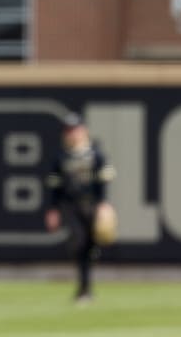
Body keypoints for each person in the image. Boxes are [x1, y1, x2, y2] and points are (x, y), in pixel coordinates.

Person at [44, 112, 116, 303]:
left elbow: (104, 182)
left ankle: (85, 290)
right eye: (69, 130)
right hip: (70, 206)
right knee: (79, 242)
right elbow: (54, 186)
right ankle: (84, 289)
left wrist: (103, 205)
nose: (72, 133)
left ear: (83, 130)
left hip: (91, 205)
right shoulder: (61, 157)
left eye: (75, 129)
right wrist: (53, 209)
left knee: (89, 248)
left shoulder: (96, 154)